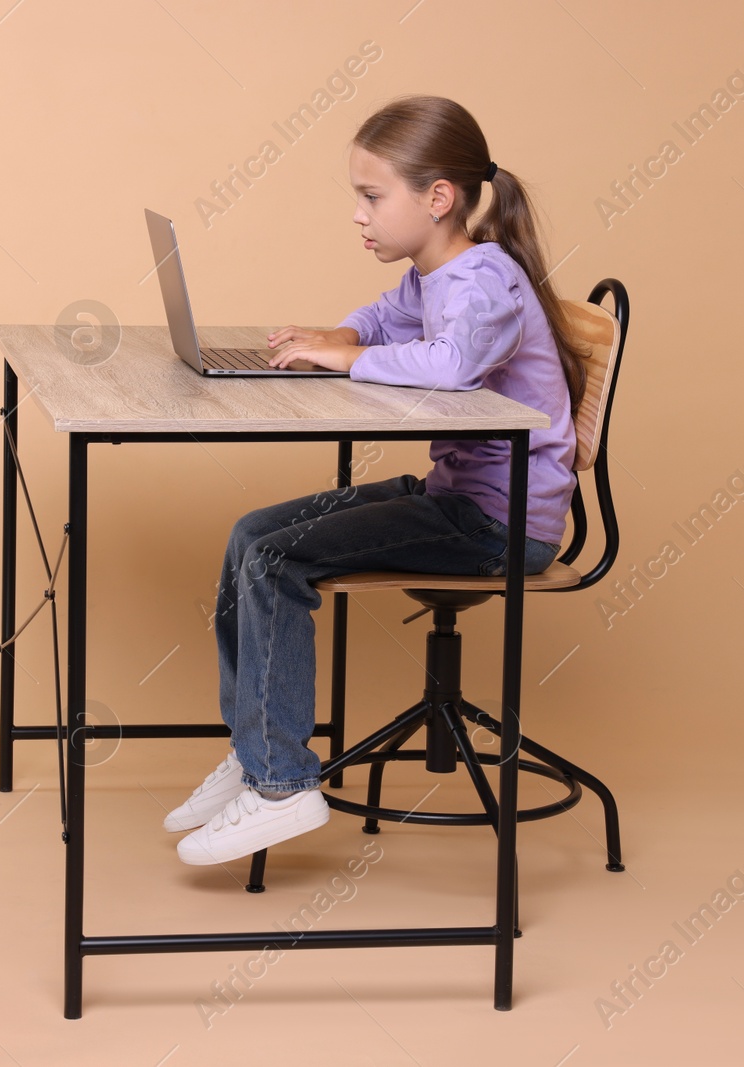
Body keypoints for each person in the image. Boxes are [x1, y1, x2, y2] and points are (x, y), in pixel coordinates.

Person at [167, 94, 590, 866]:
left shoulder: (482, 280)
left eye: (372, 197)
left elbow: (452, 366)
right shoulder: (437, 272)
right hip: (456, 500)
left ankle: (282, 785)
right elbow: (389, 318)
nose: (359, 216)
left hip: (501, 526)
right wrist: (339, 335)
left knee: (274, 559)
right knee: (253, 535)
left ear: (438, 199)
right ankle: (258, 746)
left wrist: (344, 359)